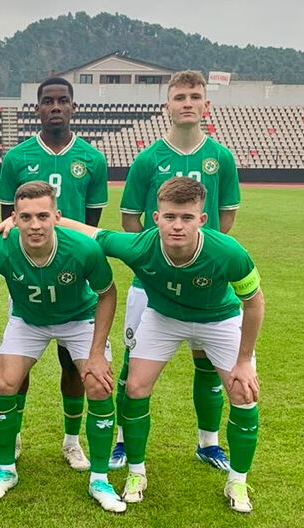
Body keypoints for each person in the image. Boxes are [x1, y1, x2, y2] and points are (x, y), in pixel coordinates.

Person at [0, 176, 262, 512]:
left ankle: (237, 480)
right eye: (170, 217)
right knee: (134, 388)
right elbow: (92, 234)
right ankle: (136, 472)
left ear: (202, 220)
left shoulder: (228, 252)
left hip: (219, 318)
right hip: (164, 317)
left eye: (187, 218)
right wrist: (14, 221)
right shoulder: (139, 246)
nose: (178, 225)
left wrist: (245, 359)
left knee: (242, 391)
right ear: (155, 217)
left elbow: (254, 302)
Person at [0, 181, 122, 511]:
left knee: (99, 385)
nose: (35, 225)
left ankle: (99, 478)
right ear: (14, 219)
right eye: (26, 217)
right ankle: (6, 470)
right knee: (4, 382)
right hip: (28, 320)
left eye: (43, 216)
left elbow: (108, 293)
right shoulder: (0, 249)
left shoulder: (83, 249)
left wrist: (96, 353)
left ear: (56, 217)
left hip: (79, 318)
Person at [112, 70, 241, 471]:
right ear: (166, 105)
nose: (187, 103)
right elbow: (131, 220)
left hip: (205, 284)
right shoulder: (148, 159)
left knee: (207, 363)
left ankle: (208, 442)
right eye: (180, 96)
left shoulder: (220, 157)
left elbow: (225, 217)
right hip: (150, 283)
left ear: (206, 104)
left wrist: (196, 255)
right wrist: (156, 257)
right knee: (132, 364)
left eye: (195, 96)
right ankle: (121, 440)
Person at [0, 77, 108, 470]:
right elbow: (9, 219)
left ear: (73, 106)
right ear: (37, 108)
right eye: (47, 101)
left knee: (71, 361)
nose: (55, 106)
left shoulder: (92, 159)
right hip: (28, 269)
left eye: (62, 100)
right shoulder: (17, 158)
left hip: (71, 270)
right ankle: (16, 432)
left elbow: (93, 224)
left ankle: (72, 440)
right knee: (18, 362)